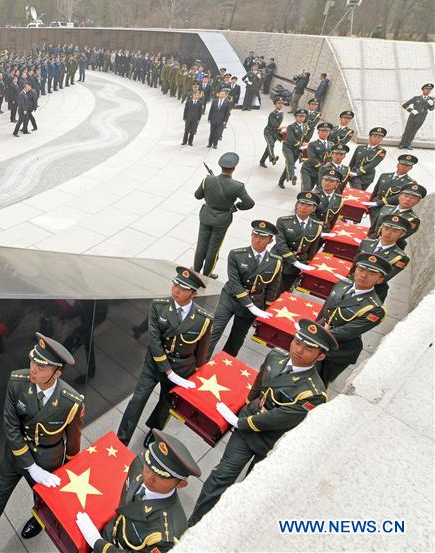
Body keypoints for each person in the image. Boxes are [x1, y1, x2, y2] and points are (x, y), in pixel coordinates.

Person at [189, 319, 335, 526]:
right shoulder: (275, 356)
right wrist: (249, 404)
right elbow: (258, 384)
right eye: (297, 342)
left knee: (251, 489)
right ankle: (193, 525)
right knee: (220, 477)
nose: (299, 350)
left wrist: (240, 422)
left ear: (321, 356)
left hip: (271, 443)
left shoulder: (314, 393)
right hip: (247, 431)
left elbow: (280, 418)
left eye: (308, 348)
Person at [0, 333, 83, 552]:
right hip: (16, 455)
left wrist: (66, 470)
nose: (33, 369)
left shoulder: (70, 401)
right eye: (33, 361)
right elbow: (10, 426)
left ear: (58, 373)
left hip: (48, 460)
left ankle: (39, 519)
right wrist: (30, 466)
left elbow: (73, 442)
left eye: (42, 367)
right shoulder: (17, 381)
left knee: (44, 500)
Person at [117, 266, 211, 448]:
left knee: (165, 405)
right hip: (155, 365)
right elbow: (154, 341)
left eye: (183, 288)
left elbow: (201, 351)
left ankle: (154, 431)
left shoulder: (203, 319)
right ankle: (122, 440)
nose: (176, 290)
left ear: (194, 294)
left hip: (182, 368)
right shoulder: (159, 306)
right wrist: (168, 371)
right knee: (137, 400)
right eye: (175, 284)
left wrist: (197, 373)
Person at [76, 429, 201, 553]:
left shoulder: (167, 537)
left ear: (180, 484)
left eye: (161, 476)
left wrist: (98, 543)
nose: (149, 477)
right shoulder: (139, 464)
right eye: (148, 467)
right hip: (112, 529)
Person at [208, 220, 282, 358]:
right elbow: (235, 283)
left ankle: (222, 367)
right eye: (255, 235)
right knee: (214, 331)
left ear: (270, 241)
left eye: (262, 237)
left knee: (236, 339)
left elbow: (272, 288)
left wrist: (265, 309)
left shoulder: (275, 261)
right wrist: (250, 305)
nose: (257, 240)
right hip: (230, 299)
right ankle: (200, 365)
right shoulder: (236, 254)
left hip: (254, 303)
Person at [315, 253, 388, 386]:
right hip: (319, 338)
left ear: (380, 280)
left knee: (318, 381)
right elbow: (325, 311)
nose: (363, 275)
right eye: (361, 269)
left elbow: (347, 332)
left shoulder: (375, 309)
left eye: (371, 273)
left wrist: (316, 334)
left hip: (339, 351)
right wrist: (314, 327)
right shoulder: (342, 285)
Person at [193, 152, 255, 279]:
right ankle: (206, 275)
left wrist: (209, 193)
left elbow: (197, 195)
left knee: (201, 245)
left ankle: (196, 271)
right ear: (234, 168)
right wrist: (236, 207)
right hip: (222, 220)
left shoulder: (208, 179)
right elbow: (249, 203)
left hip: (206, 216)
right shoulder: (238, 186)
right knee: (213, 248)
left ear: (220, 166)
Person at [348, 214, 410, 303]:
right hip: (352, 282)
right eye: (386, 228)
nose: (388, 233)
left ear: (401, 234)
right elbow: (355, 264)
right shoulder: (366, 242)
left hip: (372, 291)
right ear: (381, 228)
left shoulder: (400, 258)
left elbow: (382, 278)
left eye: (394, 231)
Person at [273, 191, 323, 293]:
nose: (304, 207)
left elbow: (312, 250)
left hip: (297, 265)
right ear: (297, 205)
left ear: (313, 208)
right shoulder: (283, 221)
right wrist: (294, 261)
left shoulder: (317, 226)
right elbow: (280, 244)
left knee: (284, 291)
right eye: (301, 203)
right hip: (280, 259)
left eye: (308, 205)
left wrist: (306, 265)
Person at [367, 183, 425, 249]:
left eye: (413, 198)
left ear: (418, 201)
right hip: (372, 242)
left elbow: (398, 238)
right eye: (406, 196)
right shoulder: (385, 208)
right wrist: (368, 240)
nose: (408, 200)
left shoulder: (413, 220)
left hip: (390, 249)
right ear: (399, 196)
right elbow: (373, 228)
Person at [367, 154, 418, 224]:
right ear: (398, 165)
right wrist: (370, 204)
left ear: (411, 168)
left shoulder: (410, 183)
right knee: (373, 227)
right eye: (402, 164)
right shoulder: (384, 176)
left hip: (389, 209)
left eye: (407, 166)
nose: (404, 167)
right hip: (375, 206)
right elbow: (375, 191)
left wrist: (377, 203)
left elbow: (399, 197)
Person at [277, 109, 310, 189]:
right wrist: (300, 145)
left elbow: (305, 137)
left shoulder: (305, 126)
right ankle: (292, 177)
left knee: (289, 166)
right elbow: (291, 138)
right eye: (299, 116)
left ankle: (281, 181)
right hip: (288, 147)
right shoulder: (291, 127)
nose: (301, 118)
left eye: (303, 116)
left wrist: (305, 144)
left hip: (297, 149)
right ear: (295, 117)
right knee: (290, 162)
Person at [398, 83, 433, 149]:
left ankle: (408, 144)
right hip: (413, 116)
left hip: (422, 117)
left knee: (414, 131)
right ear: (423, 90)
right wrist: (411, 110)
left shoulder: (431, 99)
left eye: (429, 89)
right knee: (407, 130)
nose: (428, 91)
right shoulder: (416, 98)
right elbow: (405, 105)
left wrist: (431, 105)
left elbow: (431, 109)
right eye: (426, 89)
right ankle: (402, 144)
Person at [299, 122, 332, 192]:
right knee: (306, 189)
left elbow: (330, 158)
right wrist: (322, 168)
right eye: (322, 131)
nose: (324, 133)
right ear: (318, 132)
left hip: (319, 172)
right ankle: (300, 202)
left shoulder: (331, 145)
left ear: (329, 133)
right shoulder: (312, 144)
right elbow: (312, 158)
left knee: (314, 190)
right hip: (308, 170)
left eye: (326, 131)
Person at [259, 97, 285, 167]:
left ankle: (262, 161)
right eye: (279, 103)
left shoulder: (282, 113)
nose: (280, 105)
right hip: (268, 132)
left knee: (268, 148)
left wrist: (281, 129)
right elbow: (273, 124)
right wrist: (280, 128)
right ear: (275, 104)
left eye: (282, 103)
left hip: (275, 133)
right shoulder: (272, 114)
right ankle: (272, 158)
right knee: (271, 144)